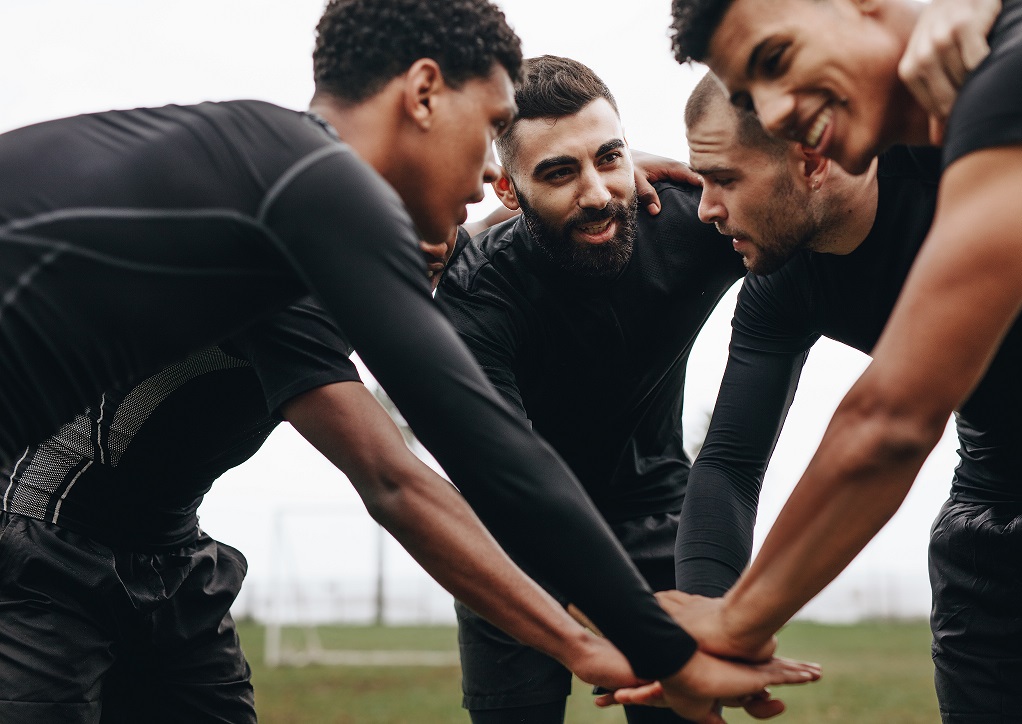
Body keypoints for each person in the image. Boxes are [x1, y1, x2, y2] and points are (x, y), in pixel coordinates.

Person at [0, 0, 819, 720]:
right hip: (40, 547)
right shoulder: (298, 208)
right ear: (425, 93)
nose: (493, 169)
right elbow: (411, 474)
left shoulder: (294, 190)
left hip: (171, 559)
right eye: (491, 124)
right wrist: (618, 646)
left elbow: (478, 247)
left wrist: (591, 186)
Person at [651, 0, 1022, 691]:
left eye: (775, 60)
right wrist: (702, 621)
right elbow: (729, 462)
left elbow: (894, 416)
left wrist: (740, 622)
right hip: (985, 516)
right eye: (748, 94)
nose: (775, 107)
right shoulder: (785, 277)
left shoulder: (1020, 64)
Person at [435, 55, 753, 724]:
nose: (598, 193)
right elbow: (502, 484)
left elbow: (799, 211)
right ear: (508, 192)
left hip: (662, 519)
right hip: (515, 542)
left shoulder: (690, 221)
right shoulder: (475, 292)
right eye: (558, 172)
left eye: (609, 158)